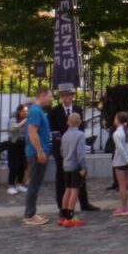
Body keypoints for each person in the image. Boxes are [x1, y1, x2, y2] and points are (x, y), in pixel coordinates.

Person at [48, 83, 98, 212]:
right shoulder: (55, 111)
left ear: (72, 96)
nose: (65, 99)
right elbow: (53, 130)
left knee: (79, 174)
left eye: (68, 95)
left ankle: (84, 203)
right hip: (61, 148)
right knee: (61, 176)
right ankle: (62, 205)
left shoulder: (77, 109)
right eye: (63, 96)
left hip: (75, 147)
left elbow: (81, 128)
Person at [22, 86, 54, 226]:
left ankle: (32, 212)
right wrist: (40, 150)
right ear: (42, 95)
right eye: (49, 96)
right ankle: (29, 215)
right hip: (36, 153)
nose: (51, 98)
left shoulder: (38, 111)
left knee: (35, 183)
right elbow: (32, 132)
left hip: (37, 152)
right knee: (34, 184)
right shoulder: (35, 111)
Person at [58, 112, 87, 227]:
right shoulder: (80, 135)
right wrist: (84, 167)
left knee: (67, 190)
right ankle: (70, 215)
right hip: (76, 166)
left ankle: (63, 213)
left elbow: (61, 151)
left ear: (68, 123)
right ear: (79, 122)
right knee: (75, 190)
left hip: (66, 165)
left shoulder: (64, 135)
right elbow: (80, 154)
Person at [6, 104, 28, 195]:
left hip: (22, 142)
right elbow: (13, 128)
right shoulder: (13, 117)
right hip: (14, 143)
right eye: (24, 111)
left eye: (27, 111)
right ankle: (11, 185)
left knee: (22, 164)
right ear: (19, 111)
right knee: (15, 164)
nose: (25, 113)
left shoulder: (26, 118)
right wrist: (24, 121)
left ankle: (19, 183)